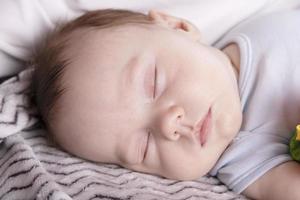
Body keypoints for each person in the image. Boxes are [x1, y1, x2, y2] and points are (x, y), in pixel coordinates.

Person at [31, 8, 300, 200]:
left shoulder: (266, 31)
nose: (169, 125)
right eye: (143, 148)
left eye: (153, 84)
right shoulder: (242, 161)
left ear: (177, 27)